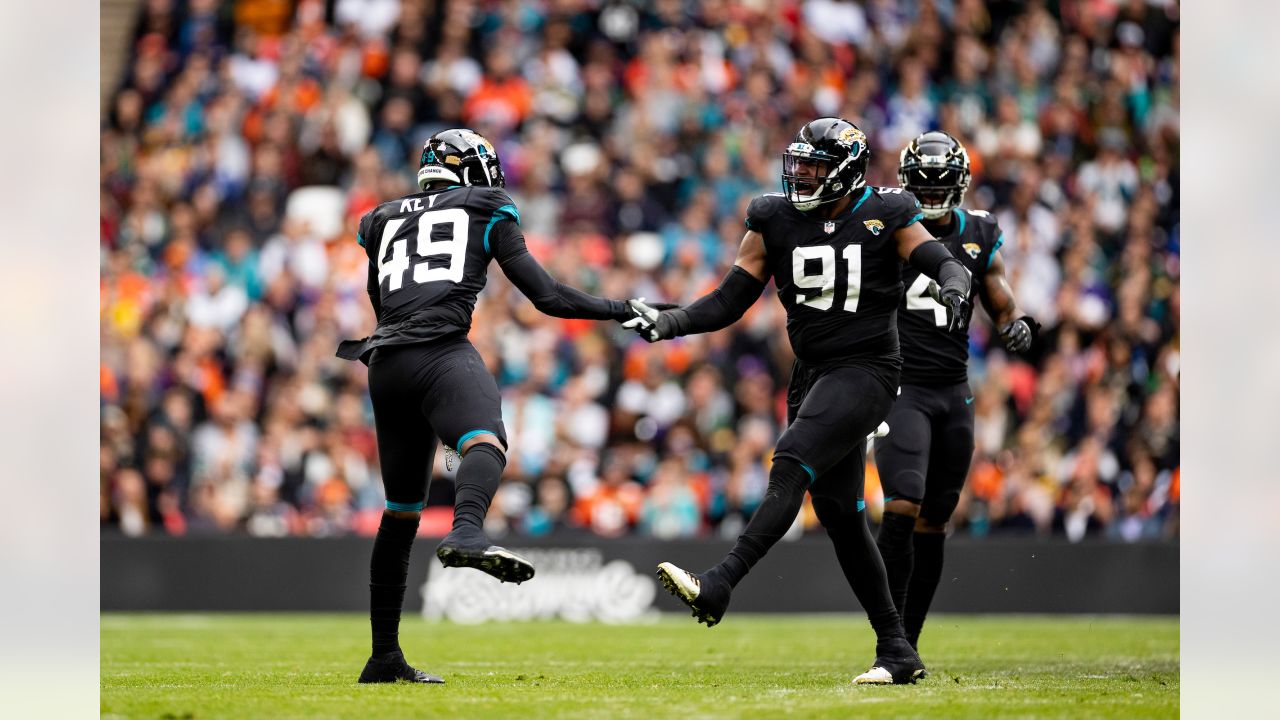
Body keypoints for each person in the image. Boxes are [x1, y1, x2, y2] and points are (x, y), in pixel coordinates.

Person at [625, 118, 972, 685]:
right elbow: (731, 298)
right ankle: (898, 650)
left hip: (869, 370)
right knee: (839, 515)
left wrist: (955, 282)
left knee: (790, 462)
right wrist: (672, 321)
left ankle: (720, 583)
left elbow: (940, 259)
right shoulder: (772, 217)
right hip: (811, 374)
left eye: (813, 165)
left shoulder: (889, 212)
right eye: (799, 163)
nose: (801, 174)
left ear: (845, 169)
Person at [338, 128, 636, 684]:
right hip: (438, 351)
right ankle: (468, 530)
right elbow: (547, 297)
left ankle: (383, 656)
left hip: (385, 362)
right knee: (485, 442)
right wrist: (620, 308)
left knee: (401, 512)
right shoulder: (485, 204)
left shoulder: (380, 217)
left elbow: (381, 300)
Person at [875, 131, 1037, 651]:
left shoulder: (980, 231)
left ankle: (909, 642)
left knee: (935, 520)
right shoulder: (887, 224)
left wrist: (1017, 324)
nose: (930, 189)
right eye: (922, 180)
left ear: (960, 184)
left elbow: (1001, 300)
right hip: (901, 387)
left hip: (952, 391)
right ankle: (890, 634)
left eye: (939, 180)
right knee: (902, 502)